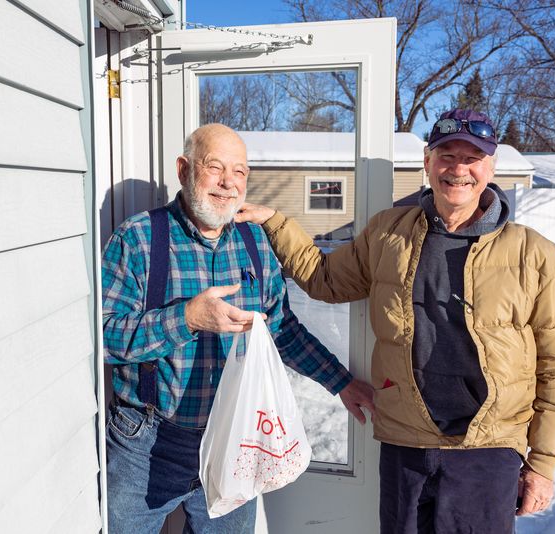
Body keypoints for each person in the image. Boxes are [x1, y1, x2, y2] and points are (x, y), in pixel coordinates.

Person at [236, 109, 555, 533]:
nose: (458, 169)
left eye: (472, 157)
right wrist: (275, 223)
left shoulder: (537, 256)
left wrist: (544, 464)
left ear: (491, 167)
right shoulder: (389, 233)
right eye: (446, 155)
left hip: (488, 448)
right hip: (407, 441)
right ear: (427, 162)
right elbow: (325, 280)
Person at [101, 123, 374, 533]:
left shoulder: (255, 242)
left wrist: (342, 383)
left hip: (236, 440)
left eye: (240, 172)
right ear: (183, 169)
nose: (229, 183)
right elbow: (104, 338)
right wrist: (188, 318)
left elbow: (282, 330)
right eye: (215, 167)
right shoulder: (140, 238)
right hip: (148, 444)